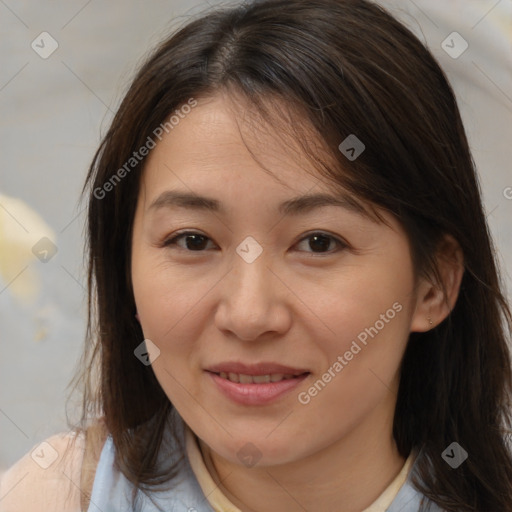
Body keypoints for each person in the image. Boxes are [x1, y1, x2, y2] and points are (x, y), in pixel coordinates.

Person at [1, 0, 512, 510]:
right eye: (193, 240)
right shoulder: (52, 496)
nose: (248, 316)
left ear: (434, 284)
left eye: (318, 243)